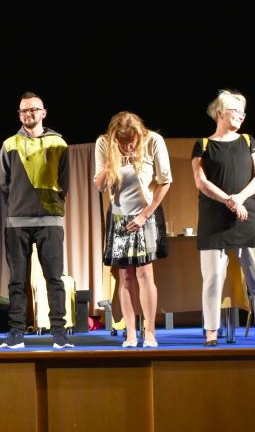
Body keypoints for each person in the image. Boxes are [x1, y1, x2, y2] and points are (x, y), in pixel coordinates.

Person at [191, 90, 255, 347]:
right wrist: (229, 201)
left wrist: (239, 199)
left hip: (246, 217)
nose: (242, 116)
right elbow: (201, 181)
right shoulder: (203, 144)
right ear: (220, 113)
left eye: (244, 112)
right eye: (236, 111)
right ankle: (211, 332)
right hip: (214, 219)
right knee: (213, 278)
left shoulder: (248, 140)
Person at [0, 91, 72, 349]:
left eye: (33, 109)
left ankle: (59, 333)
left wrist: (51, 204)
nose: (28, 114)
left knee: (54, 278)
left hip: (49, 220)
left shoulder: (59, 143)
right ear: (19, 115)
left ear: (43, 113)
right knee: (16, 281)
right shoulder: (9, 144)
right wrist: (18, 203)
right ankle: (16, 333)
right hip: (16, 221)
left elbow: (64, 181)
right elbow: (4, 183)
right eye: (23, 110)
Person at [94, 112, 172, 348]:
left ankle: (150, 333)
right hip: (119, 216)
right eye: (122, 142)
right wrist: (114, 160)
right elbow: (100, 185)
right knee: (125, 276)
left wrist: (145, 214)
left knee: (145, 273)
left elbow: (165, 181)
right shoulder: (104, 144)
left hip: (145, 214)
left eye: (131, 142)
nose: (127, 146)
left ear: (139, 134)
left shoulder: (153, 141)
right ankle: (130, 334)